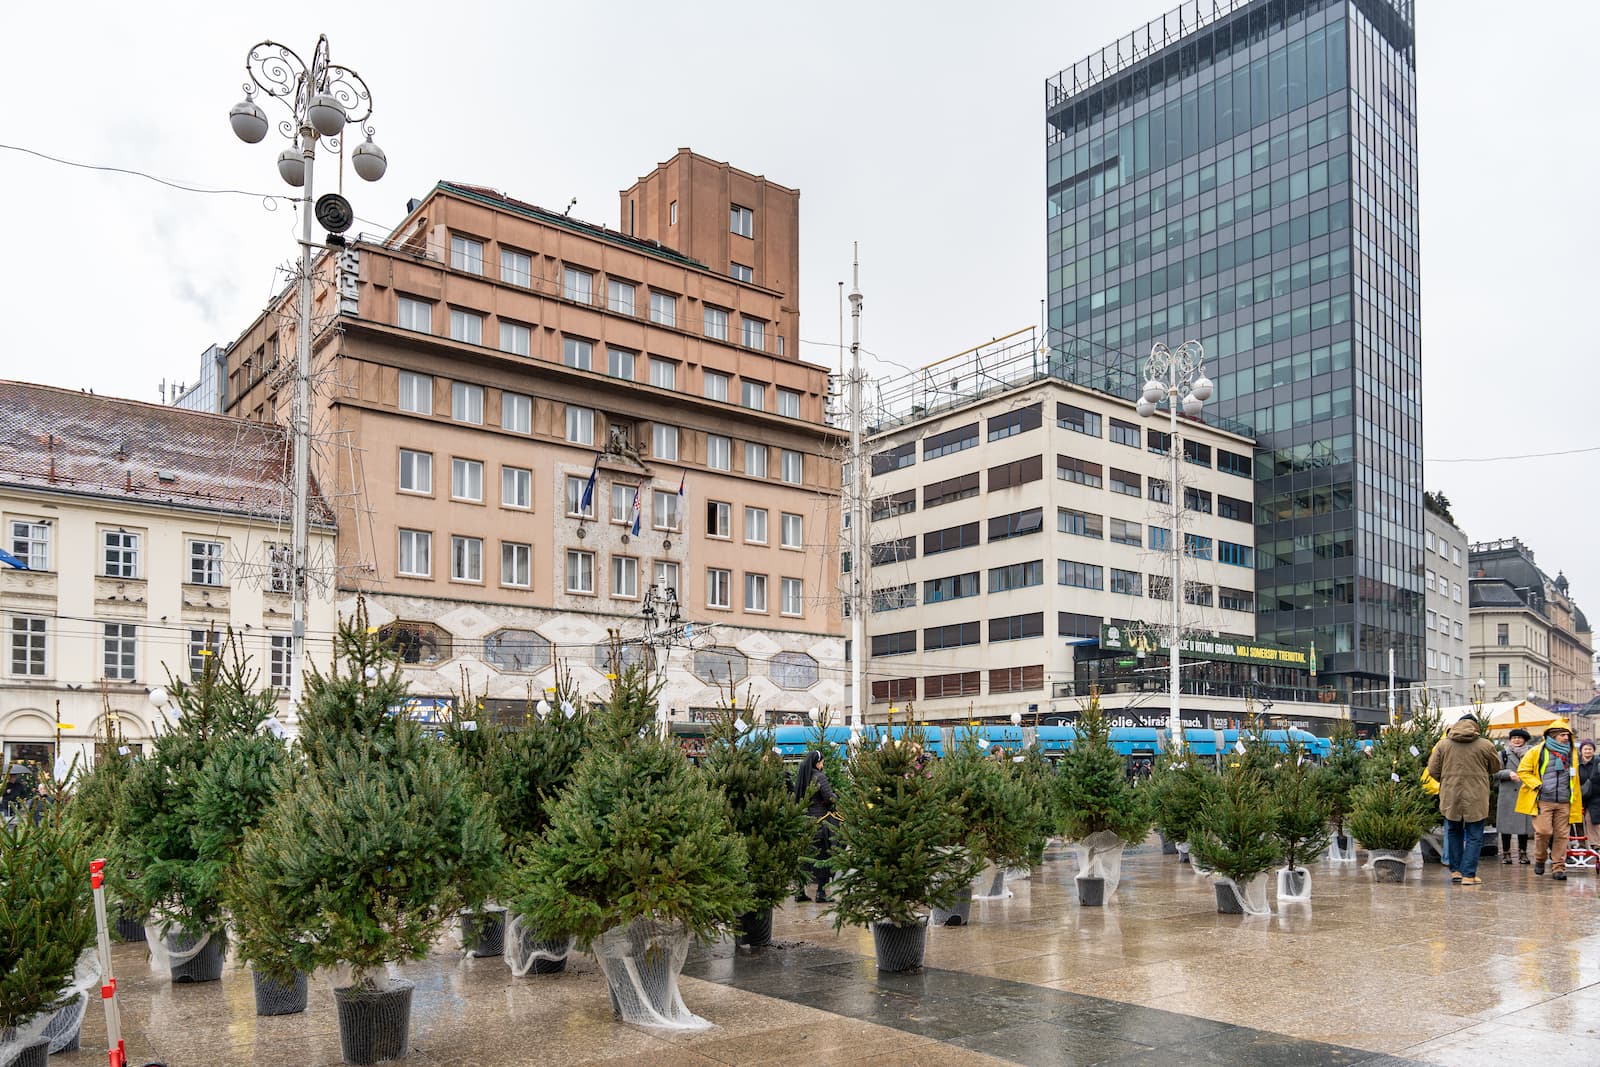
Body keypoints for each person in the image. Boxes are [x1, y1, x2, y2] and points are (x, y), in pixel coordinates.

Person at [1426, 717, 1500, 884]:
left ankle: (1456, 871)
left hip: (1450, 794)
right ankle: (1469, 874)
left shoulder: (1443, 744)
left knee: (1453, 832)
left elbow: (1432, 769)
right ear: (1476, 726)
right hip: (1477, 795)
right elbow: (1495, 767)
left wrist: (1446, 781)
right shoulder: (1485, 745)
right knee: (1474, 835)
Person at [1516, 719, 1584, 881]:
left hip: (1565, 801)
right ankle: (1540, 858)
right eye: (1563, 735)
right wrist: (1537, 785)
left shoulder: (1572, 753)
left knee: (1562, 835)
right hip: (1543, 800)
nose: (1566, 738)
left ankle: (1558, 867)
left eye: (1567, 735)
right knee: (1543, 832)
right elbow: (1523, 771)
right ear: (1553, 735)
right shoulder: (1537, 751)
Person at [793, 750, 835, 903]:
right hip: (819, 822)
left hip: (803, 822)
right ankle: (821, 893)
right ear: (817, 763)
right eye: (822, 762)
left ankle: (800, 892)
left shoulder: (802, 777)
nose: (822, 765)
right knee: (822, 856)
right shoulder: (819, 776)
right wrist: (835, 798)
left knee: (804, 858)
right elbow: (829, 797)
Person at [1496, 729, 1534, 864]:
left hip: (1525, 793)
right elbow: (1495, 772)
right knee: (1506, 825)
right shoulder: (1503, 754)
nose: (1516, 740)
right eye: (1514, 738)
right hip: (1507, 795)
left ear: (1525, 740)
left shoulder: (1531, 754)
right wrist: (1507, 774)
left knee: (1523, 826)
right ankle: (1506, 853)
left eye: (1519, 738)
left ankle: (1523, 853)